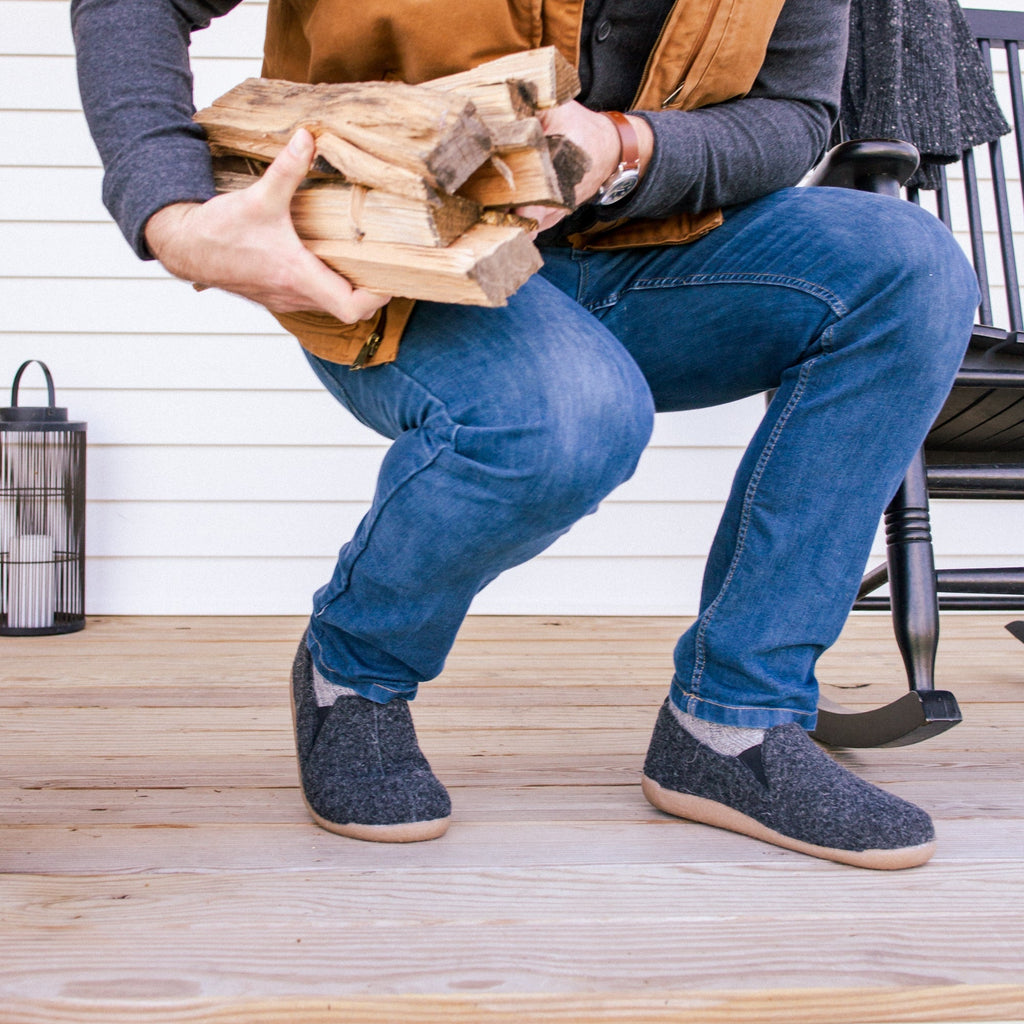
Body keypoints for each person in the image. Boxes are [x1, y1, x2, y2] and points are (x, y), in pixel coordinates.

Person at [71, 0, 979, 868]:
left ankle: (731, 719)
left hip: (654, 244)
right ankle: (352, 674)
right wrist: (175, 215)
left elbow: (793, 113)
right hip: (409, 254)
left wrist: (628, 146)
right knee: (569, 416)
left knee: (909, 266)